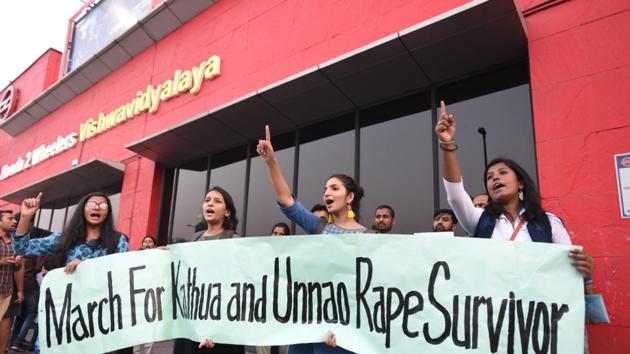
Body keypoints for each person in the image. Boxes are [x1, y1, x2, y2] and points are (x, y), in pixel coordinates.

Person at [434, 100, 593, 272]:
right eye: (489, 177)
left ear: (520, 183)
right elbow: (455, 195)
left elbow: (568, 269)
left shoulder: (549, 222)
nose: (495, 178)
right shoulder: (480, 220)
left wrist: (583, 267)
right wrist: (447, 145)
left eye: (503, 173)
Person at [257, 125, 363, 354]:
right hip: (307, 324)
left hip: (343, 335)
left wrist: (348, 329)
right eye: (325, 189)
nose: (327, 193)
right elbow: (287, 200)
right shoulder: (319, 227)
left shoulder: (370, 237)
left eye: (335, 188)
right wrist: (271, 162)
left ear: (350, 197)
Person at [173, 186, 245, 354]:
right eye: (207, 200)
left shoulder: (235, 241)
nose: (210, 204)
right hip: (193, 324)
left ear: (227, 212)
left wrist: (216, 329)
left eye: (217, 201)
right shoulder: (195, 239)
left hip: (222, 328)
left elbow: (235, 289)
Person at [8, 212, 49, 353]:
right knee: (32, 312)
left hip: (14, 283)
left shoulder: (11, 239)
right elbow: (36, 267)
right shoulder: (28, 243)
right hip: (29, 283)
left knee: (20, 315)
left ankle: (13, 342)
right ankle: (18, 341)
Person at [0, 210, 24, 354]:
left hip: (8, 289)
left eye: (15, 219)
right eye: (10, 219)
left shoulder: (17, 242)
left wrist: (20, 290)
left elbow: (19, 269)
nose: (15, 221)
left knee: (6, 323)